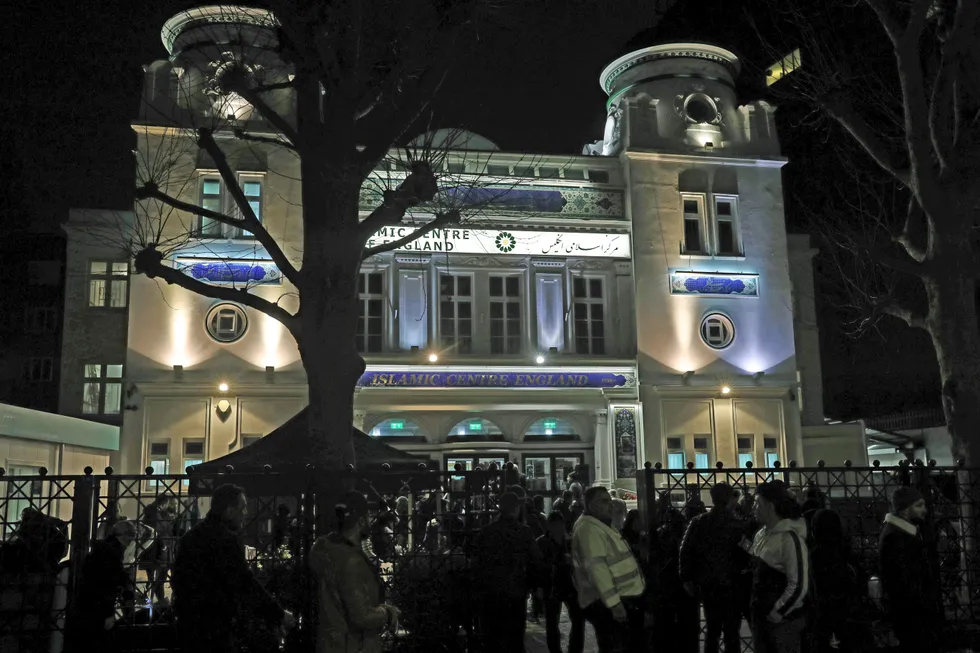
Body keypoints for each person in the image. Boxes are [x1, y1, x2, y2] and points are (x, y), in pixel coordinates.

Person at [171, 484, 293, 653]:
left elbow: (178, 580)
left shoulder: (190, 538)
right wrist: (278, 613)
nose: (245, 514)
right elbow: (245, 582)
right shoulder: (226, 540)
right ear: (229, 511)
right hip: (216, 627)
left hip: (189, 625)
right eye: (242, 508)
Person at [310, 491, 400, 653]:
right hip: (351, 646)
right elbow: (361, 616)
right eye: (367, 516)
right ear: (361, 521)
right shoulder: (351, 561)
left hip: (330, 643)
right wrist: (387, 612)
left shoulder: (324, 550)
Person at [571, 486, 645, 653]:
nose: (610, 505)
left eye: (610, 501)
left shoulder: (600, 524)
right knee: (615, 646)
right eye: (604, 502)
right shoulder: (589, 528)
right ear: (590, 505)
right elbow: (597, 568)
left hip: (616, 599)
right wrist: (614, 604)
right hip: (606, 602)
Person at [679, 482, 748, 653]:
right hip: (732, 583)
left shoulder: (699, 522)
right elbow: (747, 553)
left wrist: (686, 578)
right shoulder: (738, 524)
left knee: (712, 630)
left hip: (709, 584)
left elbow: (685, 551)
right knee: (732, 632)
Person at [473, 491, 541, 652]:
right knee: (515, 638)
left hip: (491, 591)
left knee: (492, 638)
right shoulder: (524, 532)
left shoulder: (487, 532)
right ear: (517, 508)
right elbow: (536, 560)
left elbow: (477, 561)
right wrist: (533, 585)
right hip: (515, 591)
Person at [879, 486, 941, 653]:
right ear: (905, 509)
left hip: (911, 610)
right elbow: (905, 579)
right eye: (919, 505)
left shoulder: (900, 532)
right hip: (911, 612)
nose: (924, 510)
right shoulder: (898, 536)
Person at [750, 480, 809, 653]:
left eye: (757, 503)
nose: (753, 508)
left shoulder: (790, 539)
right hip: (762, 619)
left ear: (770, 506)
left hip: (783, 624)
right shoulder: (761, 535)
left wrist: (777, 613)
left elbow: (798, 584)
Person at [66, 520, 138, 653]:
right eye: (132, 535)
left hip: (88, 605)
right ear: (124, 535)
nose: (133, 539)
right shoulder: (112, 553)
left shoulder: (105, 549)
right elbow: (105, 584)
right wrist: (107, 612)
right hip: (96, 608)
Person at [809, 509, 872, 653]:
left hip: (832, 624)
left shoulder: (818, 557)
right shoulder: (848, 553)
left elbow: (821, 595)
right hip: (854, 620)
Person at [537, 512, 585, 653]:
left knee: (578, 620)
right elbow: (539, 565)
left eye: (559, 524)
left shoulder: (571, 540)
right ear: (549, 526)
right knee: (552, 623)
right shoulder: (543, 542)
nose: (557, 528)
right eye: (554, 525)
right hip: (552, 585)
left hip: (571, 584)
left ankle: (574, 650)